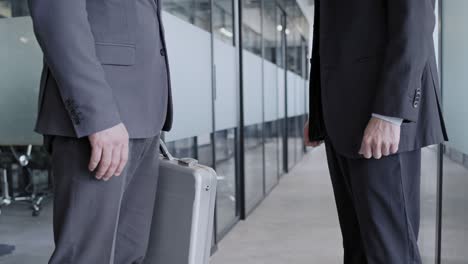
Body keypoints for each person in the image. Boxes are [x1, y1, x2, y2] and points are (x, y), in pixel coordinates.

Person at [28, 0, 173, 262]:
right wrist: (98, 117)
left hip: (144, 116)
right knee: (86, 255)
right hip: (99, 121)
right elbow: (58, 18)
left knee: (128, 252)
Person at [304, 0, 448, 263]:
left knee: (390, 251)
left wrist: (389, 113)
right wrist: (318, 112)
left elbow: (415, 20)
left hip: (380, 115)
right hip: (343, 116)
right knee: (358, 246)